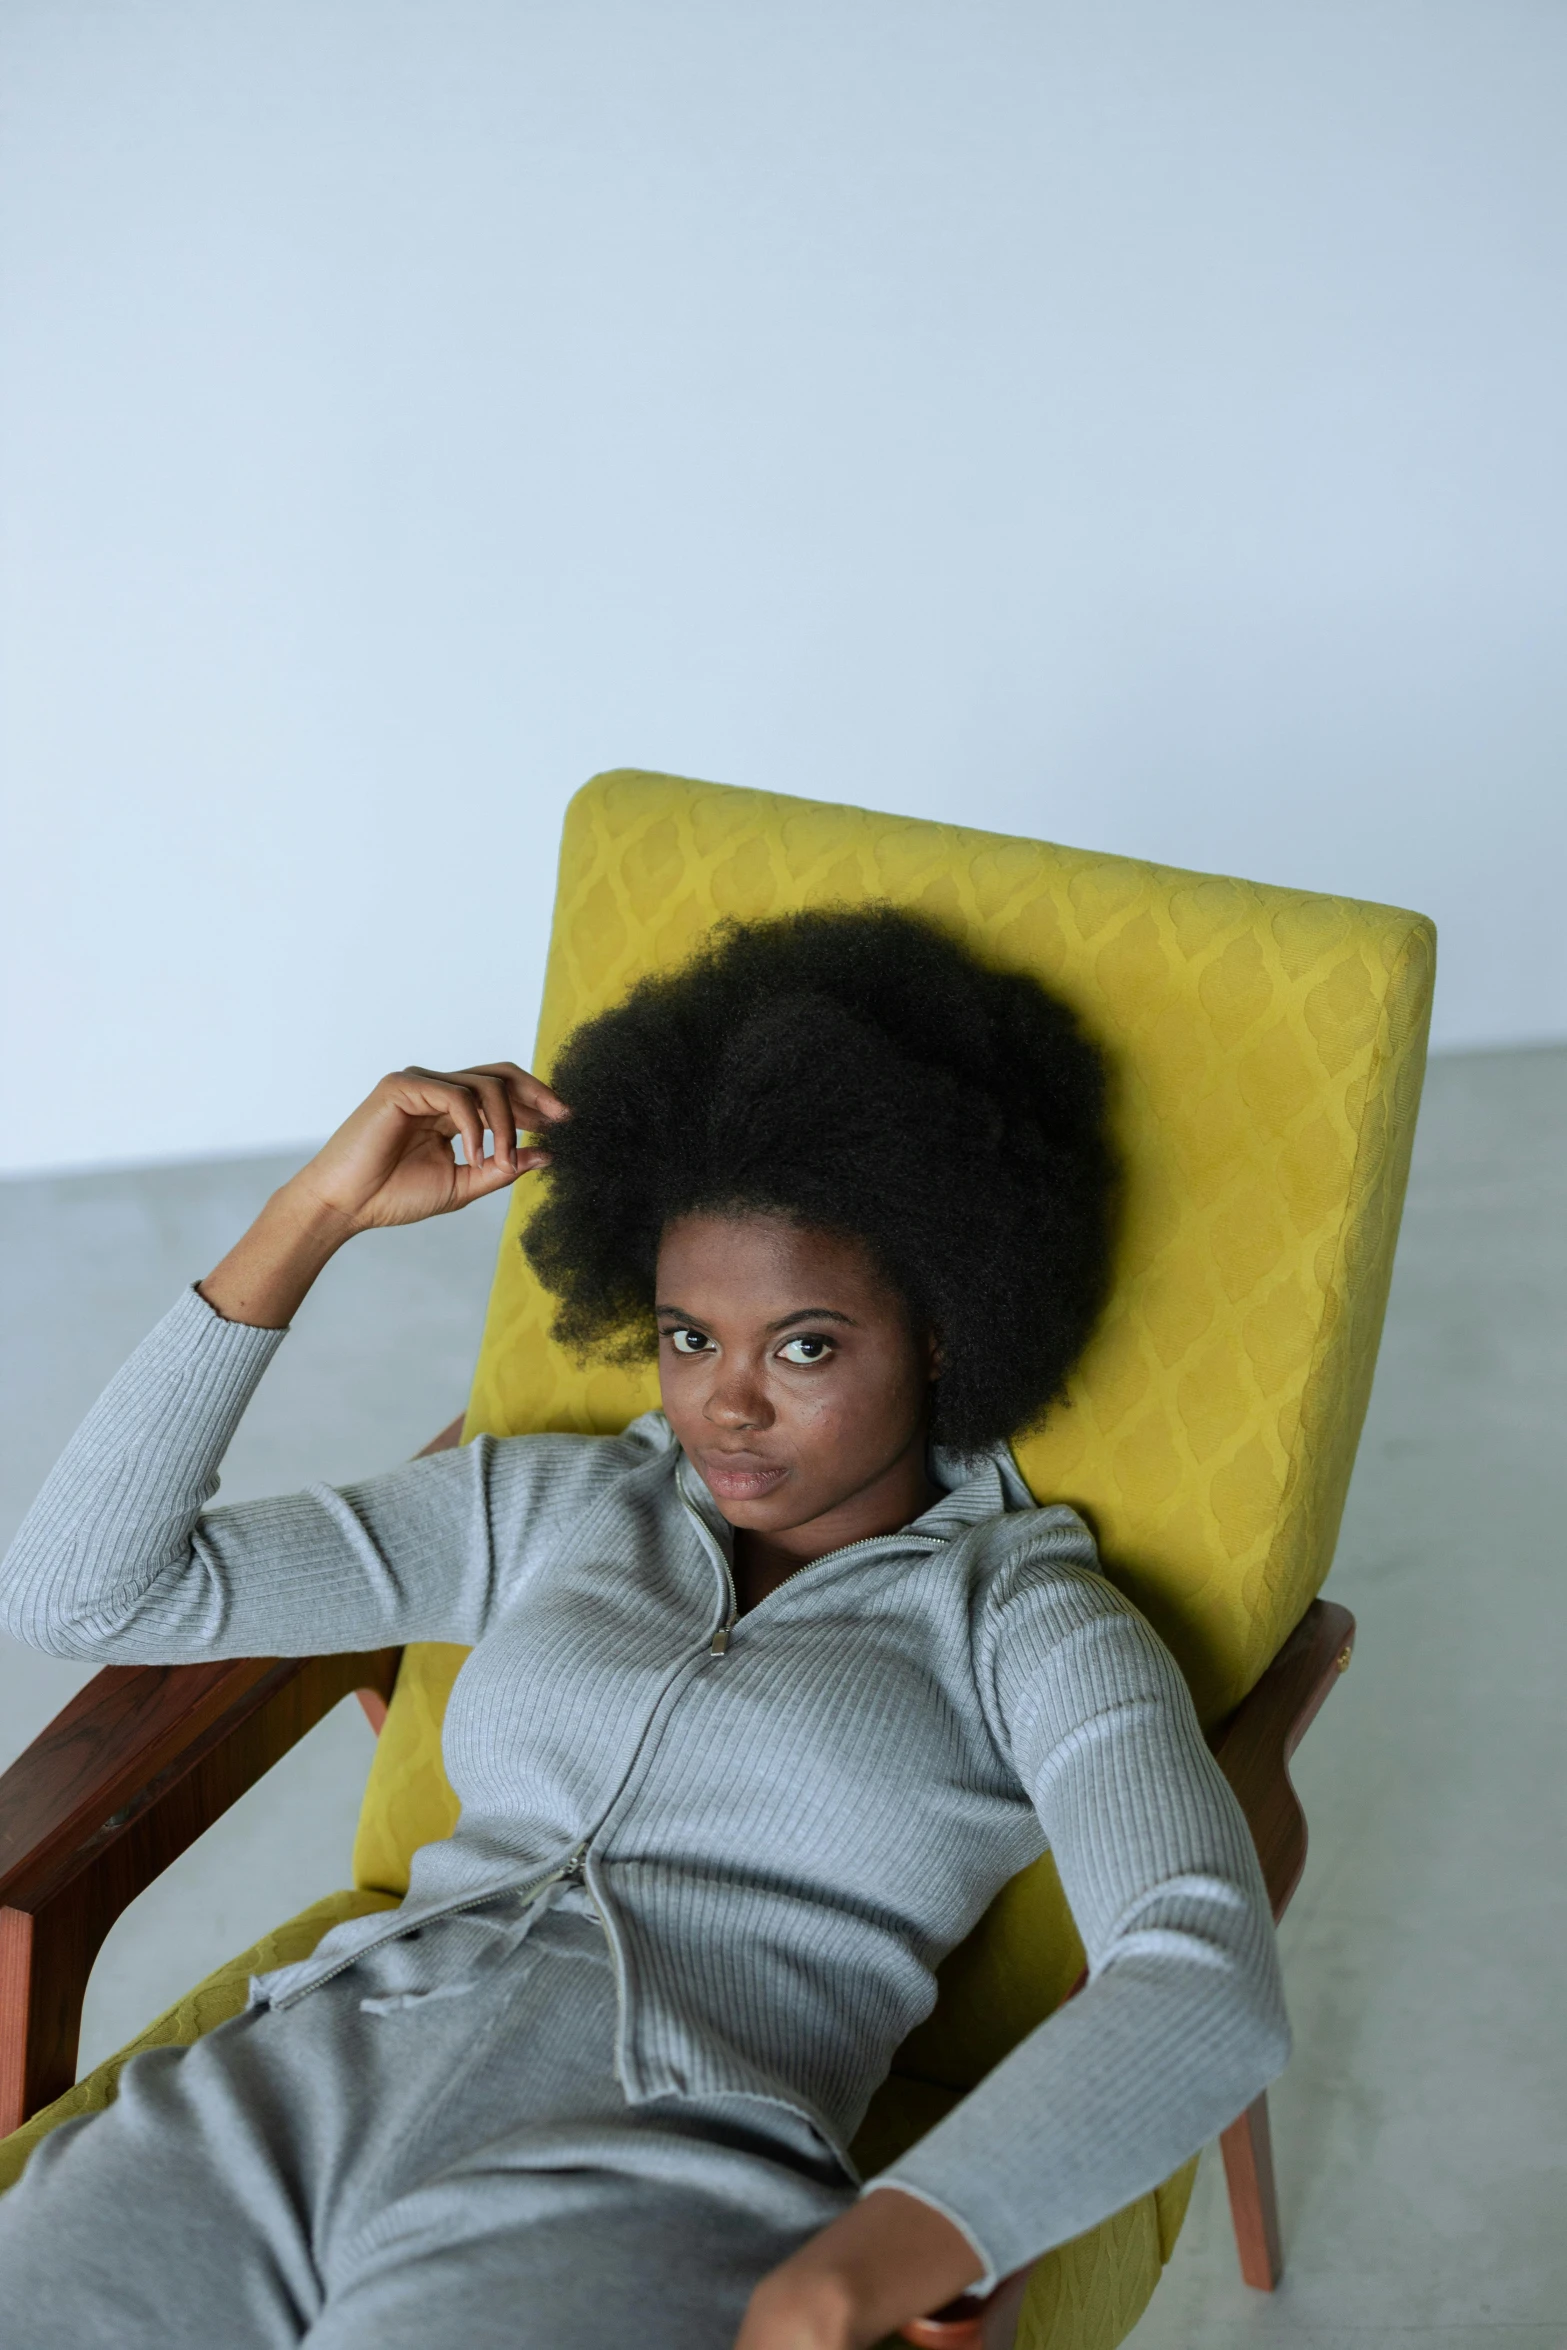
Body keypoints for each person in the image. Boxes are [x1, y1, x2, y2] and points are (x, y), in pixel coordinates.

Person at [0, 906, 1288, 2350]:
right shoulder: (557, 1505)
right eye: (688, 1334)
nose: (725, 1404)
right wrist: (314, 1215)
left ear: (940, 1329)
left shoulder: (1027, 1616)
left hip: (654, 2171)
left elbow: (1200, 1974)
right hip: (276, 2093)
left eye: (804, 1343)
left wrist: (867, 2256)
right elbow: (88, 1592)